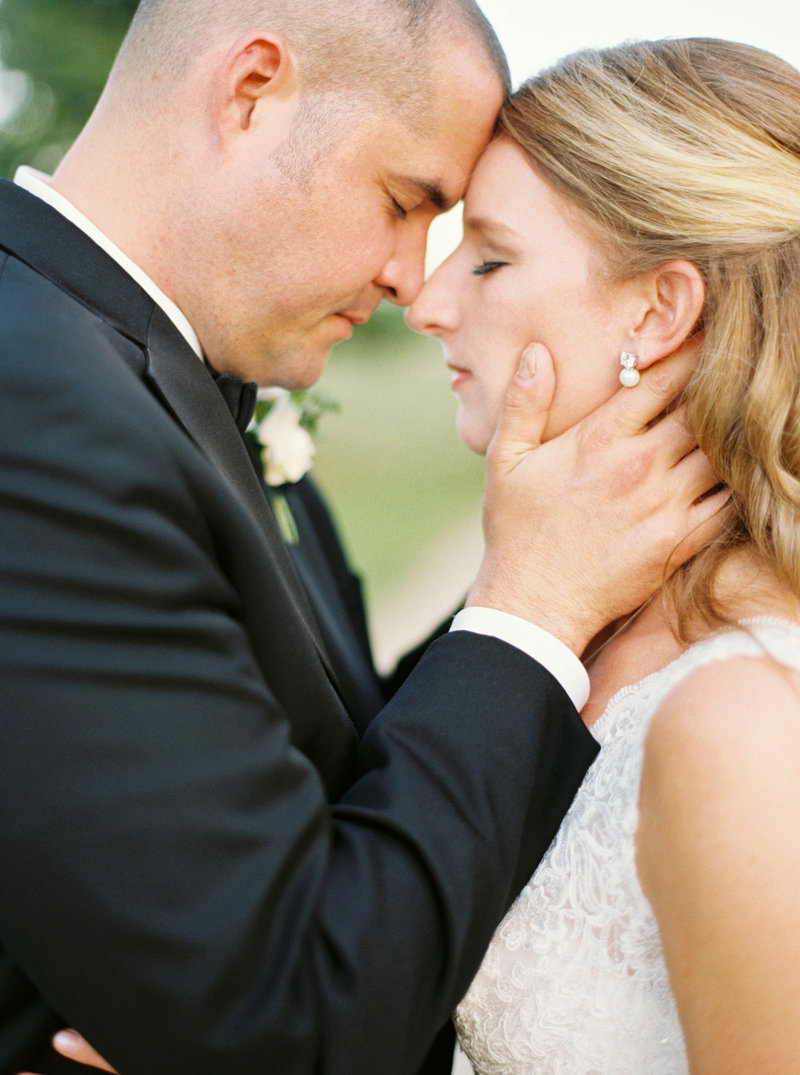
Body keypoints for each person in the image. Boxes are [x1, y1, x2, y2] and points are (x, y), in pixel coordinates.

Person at [0, 1, 723, 1071]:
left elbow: (340, 760)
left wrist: (561, 575)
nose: (408, 280)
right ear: (251, 93)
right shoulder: (37, 412)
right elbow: (283, 1020)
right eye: (402, 202)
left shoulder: (155, 382)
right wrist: (529, 609)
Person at [412, 36, 800, 1072]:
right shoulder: (579, 611)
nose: (427, 302)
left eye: (489, 257)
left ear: (659, 308)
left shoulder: (744, 718)